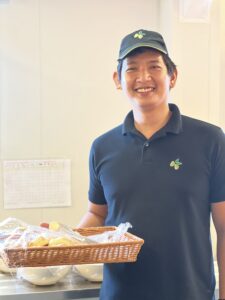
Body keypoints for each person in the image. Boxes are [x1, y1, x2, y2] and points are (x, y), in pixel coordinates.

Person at [78, 29, 225, 300]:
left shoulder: (210, 140)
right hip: (119, 293)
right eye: (132, 69)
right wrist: (66, 239)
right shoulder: (102, 147)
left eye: (154, 67)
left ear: (173, 76)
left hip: (189, 293)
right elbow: (97, 214)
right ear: (118, 80)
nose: (143, 78)